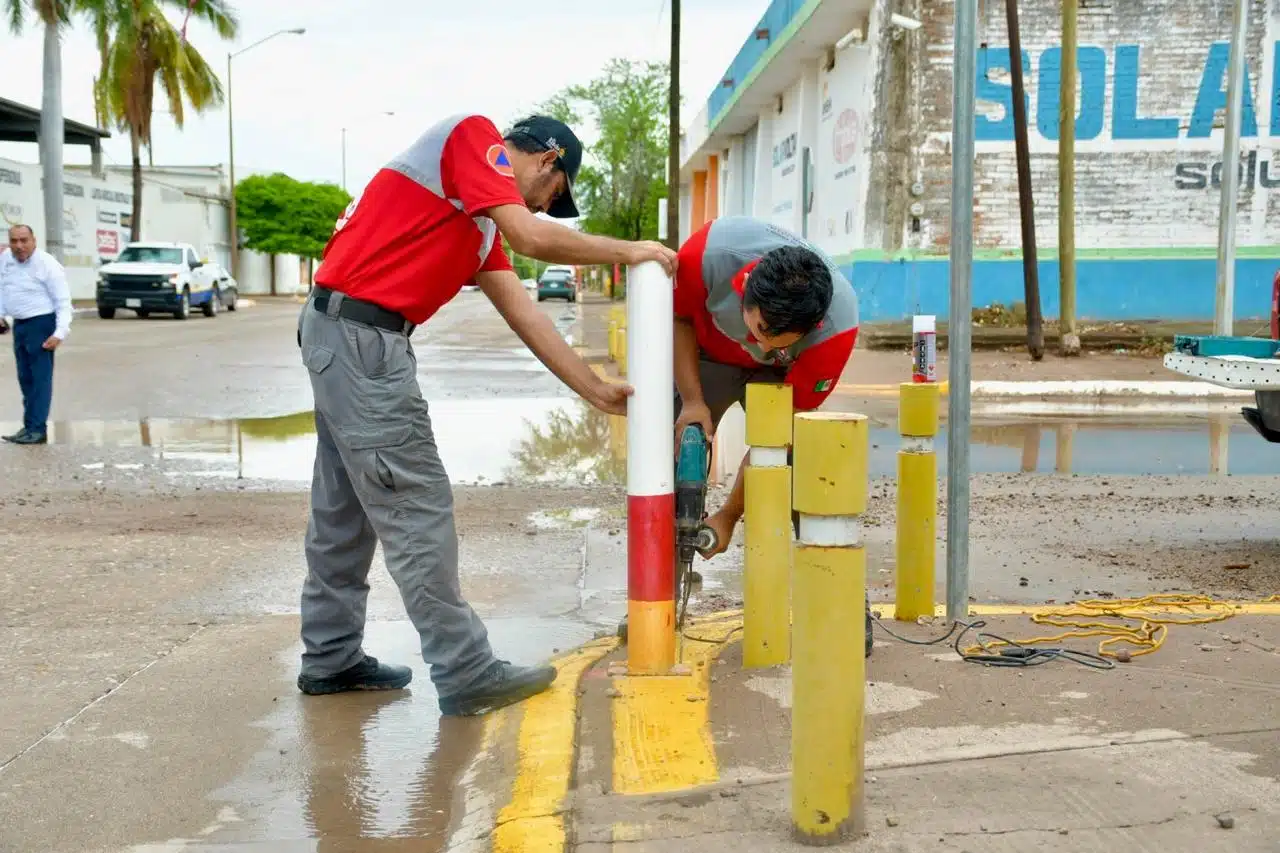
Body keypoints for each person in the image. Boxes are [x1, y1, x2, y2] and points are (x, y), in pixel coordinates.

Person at [296, 113, 677, 716]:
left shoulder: (475, 230)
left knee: (345, 509)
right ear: (547, 162)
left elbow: (526, 313)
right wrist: (629, 251)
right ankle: (466, 669)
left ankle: (331, 656)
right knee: (415, 507)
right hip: (361, 339)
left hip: (345, 334)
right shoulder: (472, 135)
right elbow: (531, 236)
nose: (550, 210)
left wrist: (594, 388)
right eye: (556, 195)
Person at [670, 216, 873, 657]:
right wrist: (691, 401)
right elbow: (681, 319)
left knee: (808, 470)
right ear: (745, 289)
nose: (760, 346)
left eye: (777, 340)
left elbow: (776, 441)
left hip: (784, 379)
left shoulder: (836, 329)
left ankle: (840, 606)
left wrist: (728, 514)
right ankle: (660, 600)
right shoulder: (704, 258)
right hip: (707, 354)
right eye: (760, 330)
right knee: (667, 455)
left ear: (812, 326)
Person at [0, 225, 73, 446]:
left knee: (40, 380)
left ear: (34, 240)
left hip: (41, 324)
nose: (19, 246)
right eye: (14, 241)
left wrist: (60, 332)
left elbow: (63, 301)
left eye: (24, 240)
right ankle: (29, 426)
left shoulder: (47, 264)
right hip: (20, 325)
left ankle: (37, 429)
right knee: (26, 379)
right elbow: (3, 288)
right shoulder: (6, 259)